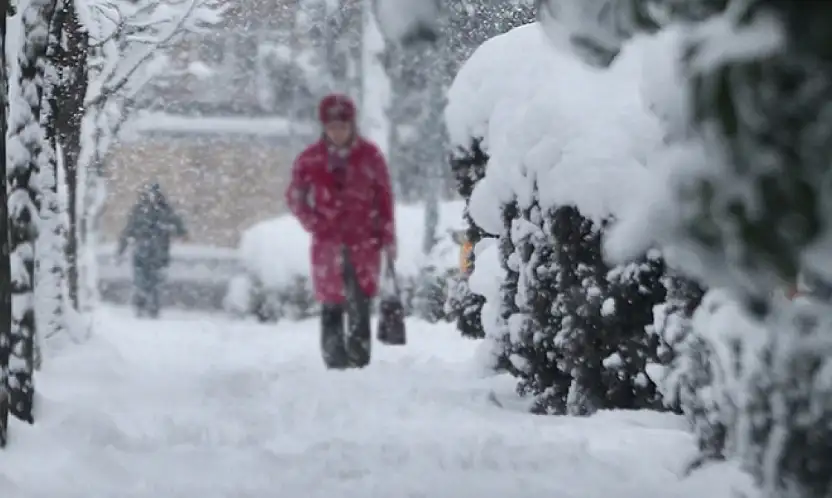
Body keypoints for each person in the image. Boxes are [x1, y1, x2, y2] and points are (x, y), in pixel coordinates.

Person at [286, 93, 396, 369]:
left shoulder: (370, 157)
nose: (337, 132)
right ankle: (334, 361)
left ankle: (359, 359)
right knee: (332, 303)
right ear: (323, 127)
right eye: (332, 127)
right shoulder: (310, 160)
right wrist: (314, 223)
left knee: (360, 301)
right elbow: (295, 197)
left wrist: (387, 236)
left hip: (364, 242)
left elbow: (383, 199)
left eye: (343, 126)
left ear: (352, 126)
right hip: (328, 243)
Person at [117, 182, 188, 318]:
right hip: (150, 252)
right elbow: (129, 230)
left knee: (150, 281)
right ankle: (144, 305)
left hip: (153, 252)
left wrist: (122, 248)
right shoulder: (159, 210)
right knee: (146, 281)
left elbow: (129, 230)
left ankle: (147, 305)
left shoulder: (151, 210)